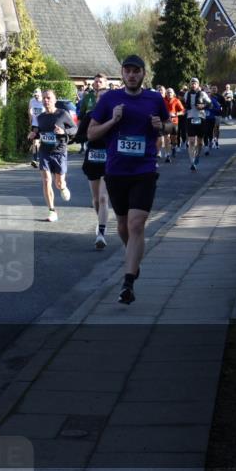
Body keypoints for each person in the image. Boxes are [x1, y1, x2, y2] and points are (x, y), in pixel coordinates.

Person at [87, 55, 169, 304]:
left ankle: (128, 282)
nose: (132, 75)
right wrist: (113, 120)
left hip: (144, 170)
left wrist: (162, 126)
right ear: (121, 74)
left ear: (144, 74)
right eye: (128, 71)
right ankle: (133, 258)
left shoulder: (154, 99)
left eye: (137, 71)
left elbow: (171, 125)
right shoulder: (110, 99)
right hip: (116, 171)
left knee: (136, 224)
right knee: (122, 226)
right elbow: (91, 133)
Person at [28, 89, 77, 222]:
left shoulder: (62, 114)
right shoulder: (40, 117)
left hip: (59, 151)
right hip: (45, 152)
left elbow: (75, 129)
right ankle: (52, 210)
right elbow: (38, 132)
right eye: (44, 98)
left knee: (58, 183)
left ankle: (63, 186)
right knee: (46, 181)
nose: (46, 100)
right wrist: (33, 135)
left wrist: (63, 131)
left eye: (48, 98)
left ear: (55, 100)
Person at [75, 86, 111, 248]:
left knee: (104, 198)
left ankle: (101, 233)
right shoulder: (90, 116)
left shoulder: (115, 117)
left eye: (105, 97)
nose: (102, 100)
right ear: (96, 99)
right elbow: (79, 136)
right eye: (99, 97)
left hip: (109, 161)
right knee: (96, 199)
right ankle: (100, 221)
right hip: (92, 159)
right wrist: (90, 136)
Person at [183, 78, 210, 172]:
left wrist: (203, 106)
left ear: (198, 85)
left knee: (199, 142)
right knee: (191, 141)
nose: (193, 85)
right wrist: (184, 110)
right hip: (190, 118)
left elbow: (210, 104)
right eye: (192, 83)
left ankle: (197, 155)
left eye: (195, 83)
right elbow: (185, 105)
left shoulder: (203, 94)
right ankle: (192, 162)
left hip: (200, 118)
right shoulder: (187, 94)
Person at [163, 88, 184, 163]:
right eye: (168, 92)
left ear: (173, 93)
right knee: (167, 138)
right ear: (166, 93)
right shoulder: (163, 100)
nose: (169, 94)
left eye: (170, 92)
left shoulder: (176, 100)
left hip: (174, 121)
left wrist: (175, 114)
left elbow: (183, 111)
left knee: (173, 138)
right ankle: (167, 154)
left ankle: (174, 147)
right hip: (166, 122)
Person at [28, 87, 43, 168]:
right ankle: (34, 159)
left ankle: (41, 157)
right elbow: (29, 110)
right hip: (35, 124)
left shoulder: (44, 101)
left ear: (40, 94)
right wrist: (30, 119)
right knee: (35, 142)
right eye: (35, 95)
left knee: (41, 142)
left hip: (43, 124)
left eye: (37, 95)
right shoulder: (32, 100)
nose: (36, 97)